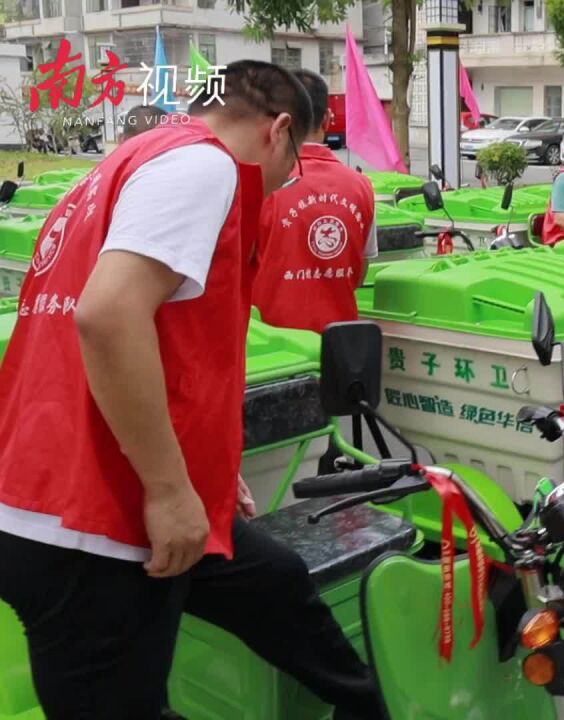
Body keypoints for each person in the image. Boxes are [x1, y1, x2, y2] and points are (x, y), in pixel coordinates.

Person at [0, 60, 382, 720]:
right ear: (279, 130)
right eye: (291, 166)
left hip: (91, 489)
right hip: (89, 525)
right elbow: (109, 316)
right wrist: (170, 488)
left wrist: (199, 470)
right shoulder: (204, 167)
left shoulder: (125, 166)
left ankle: (368, 707)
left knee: (274, 583)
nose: (285, 184)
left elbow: (163, 334)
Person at [253, 70, 377, 333]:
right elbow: (359, 271)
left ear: (277, 122)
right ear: (327, 119)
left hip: (275, 353)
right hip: (340, 345)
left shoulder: (259, 184)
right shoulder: (361, 186)